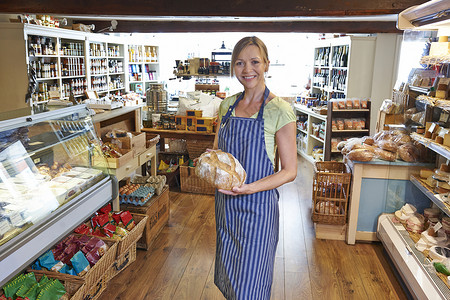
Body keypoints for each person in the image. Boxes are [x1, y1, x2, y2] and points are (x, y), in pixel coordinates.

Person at [212, 36, 297, 300]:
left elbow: (290, 170)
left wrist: (250, 187)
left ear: (267, 65)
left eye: (254, 62)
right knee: (230, 275)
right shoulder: (227, 105)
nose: (247, 70)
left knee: (252, 282)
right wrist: (209, 160)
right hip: (226, 206)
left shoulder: (280, 110)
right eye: (239, 63)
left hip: (258, 207)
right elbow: (217, 153)